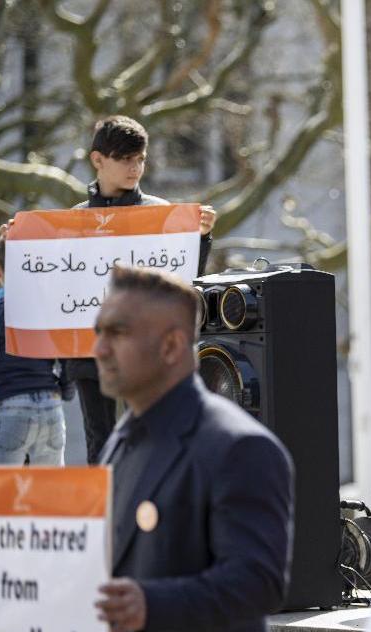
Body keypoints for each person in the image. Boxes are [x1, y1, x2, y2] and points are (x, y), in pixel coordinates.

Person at [91, 266, 293, 632]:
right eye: (98, 332)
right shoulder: (120, 440)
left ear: (170, 347)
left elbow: (257, 582)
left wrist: (150, 605)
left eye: (117, 333)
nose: (99, 348)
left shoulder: (240, 447)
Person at [68, 115, 217, 464]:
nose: (135, 168)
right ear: (97, 160)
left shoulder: (161, 214)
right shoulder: (73, 221)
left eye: (140, 159)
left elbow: (185, 280)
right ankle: (108, 517)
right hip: (91, 352)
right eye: (125, 159)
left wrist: (201, 237)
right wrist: (20, 241)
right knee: (100, 444)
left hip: (147, 347)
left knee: (155, 434)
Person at [0, 234, 73, 465]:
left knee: (3, 493)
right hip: (50, 405)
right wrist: (64, 390)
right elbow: (68, 356)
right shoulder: (53, 306)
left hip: (10, 405)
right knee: (51, 492)